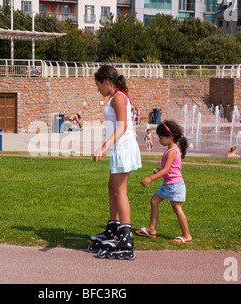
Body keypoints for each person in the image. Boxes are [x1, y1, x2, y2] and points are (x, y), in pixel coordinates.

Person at [90, 65, 142, 260]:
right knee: (112, 187)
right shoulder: (116, 96)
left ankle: (126, 238)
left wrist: (103, 147)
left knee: (120, 191)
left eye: (98, 85)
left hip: (123, 147)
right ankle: (113, 228)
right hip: (119, 148)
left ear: (106, 82)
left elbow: (122, 127)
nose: (98, 89)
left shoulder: (119, 97)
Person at [136, 120, 192, 244]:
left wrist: (150, 178)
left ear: (170, 137)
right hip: (169, 184)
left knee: (177, 208)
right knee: (154, 201)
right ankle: (152, 229)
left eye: (161, 138)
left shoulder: (172, 151)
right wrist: (159, 170)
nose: (159, 140)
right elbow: (170, 169)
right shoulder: (172, 149)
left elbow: (167, 170)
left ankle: (187, 235)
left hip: (174, 185)